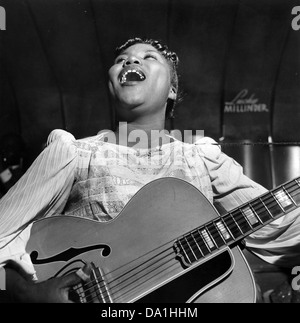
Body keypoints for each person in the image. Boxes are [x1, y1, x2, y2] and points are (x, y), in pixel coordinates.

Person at [0, 37, 300, 303]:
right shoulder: (74, 153)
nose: (130, 60)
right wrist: (30, 293)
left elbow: (284, 226)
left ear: (172, 89)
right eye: (120, 60)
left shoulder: (202, 157)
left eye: (148, 57)